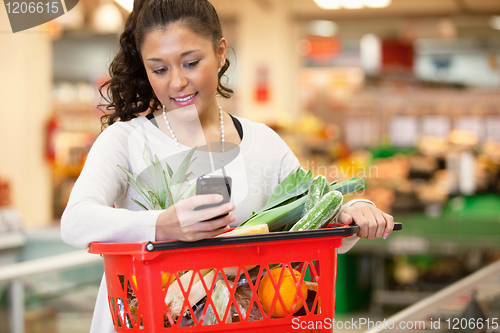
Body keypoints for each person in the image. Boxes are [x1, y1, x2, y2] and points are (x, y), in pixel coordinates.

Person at [60, 0, 394, 331]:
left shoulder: (263, 142)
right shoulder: (126, 140)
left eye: (190, 63)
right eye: (159, 69)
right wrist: (162, 225)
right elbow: (75, 221)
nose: (176, 82)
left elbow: (311, 218)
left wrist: (352, 210)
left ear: (221, 52)